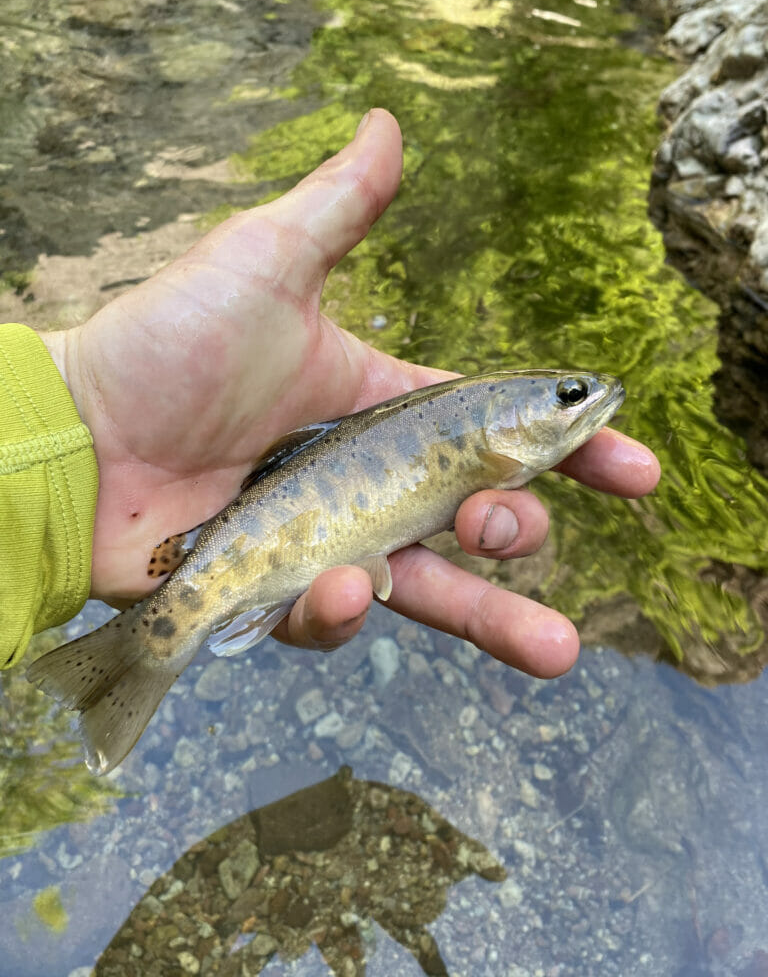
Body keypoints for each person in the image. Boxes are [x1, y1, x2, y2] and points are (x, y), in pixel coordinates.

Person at [0, 108, 660, 673]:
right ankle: (143, 650)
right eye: (571, 394)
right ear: (501, 421)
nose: (588, 397)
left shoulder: (486, 436)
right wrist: (79, 402)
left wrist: (69, 412)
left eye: (573, 393)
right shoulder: (486, 440)